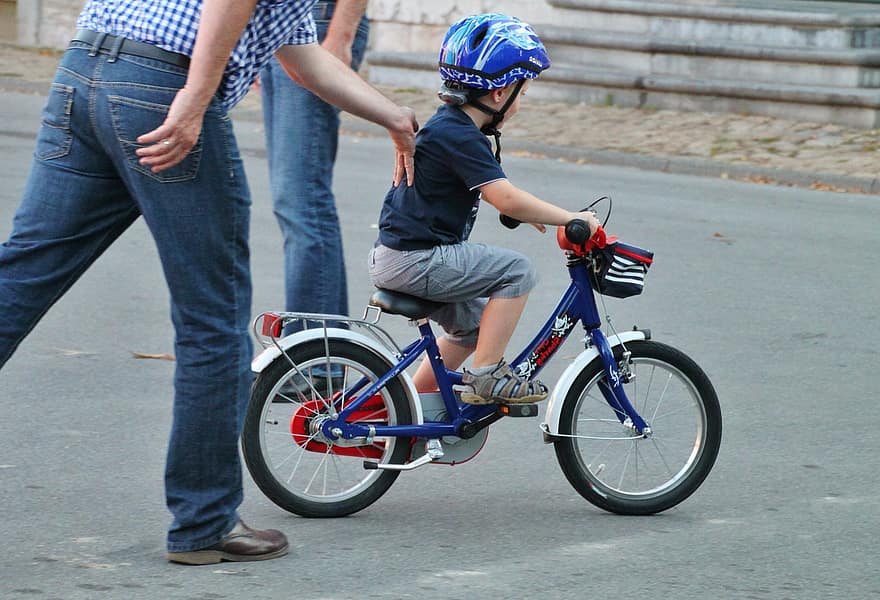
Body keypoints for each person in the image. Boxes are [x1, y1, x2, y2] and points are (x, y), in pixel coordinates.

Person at [0, 0, 417, 565]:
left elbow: (301, 61)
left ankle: (204, 516)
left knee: (22, 275)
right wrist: (197, 96)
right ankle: (204, 520)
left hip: (85, 70)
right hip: (166, 84)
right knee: (212, 317)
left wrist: (392, 115)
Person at [368, 13, 599, 405]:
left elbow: (497, 195)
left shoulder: (452, 128)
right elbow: (504, 197)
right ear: (499, 93)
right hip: (417, 259)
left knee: (473, 328)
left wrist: (529, 213)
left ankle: (413, 406)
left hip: (400, 256)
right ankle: (488, 374)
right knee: (517, 270)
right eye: (521, 92)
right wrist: (571, 217)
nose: (520, 102)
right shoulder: (459, 135)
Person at [260, 0, 369, 332]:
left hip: (319, 24)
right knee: (298, 201)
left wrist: (341, 33)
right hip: (280, 28)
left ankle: (314, 357)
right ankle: (325, 353)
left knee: (302, 201)